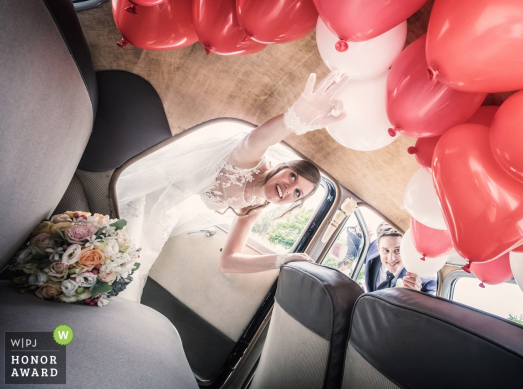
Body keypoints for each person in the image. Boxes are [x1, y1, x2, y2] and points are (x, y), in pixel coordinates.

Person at [116, 70, 349, 299]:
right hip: (151, 187)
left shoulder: (254, 207)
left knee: (127, 269)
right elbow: (257, 139)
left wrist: (282, 259)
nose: (290, 188)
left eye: (297, 193)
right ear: (282, 167)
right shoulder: (248, 162)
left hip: (166, 211)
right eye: (293, 176)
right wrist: (296, 119)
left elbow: (229, 262)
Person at [364, 223, 437, 295]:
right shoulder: (371, 250)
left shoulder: (426, 282)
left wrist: (416, 297)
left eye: (398, 250)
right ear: (378, 248)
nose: (391, 258)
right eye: (386, 250)